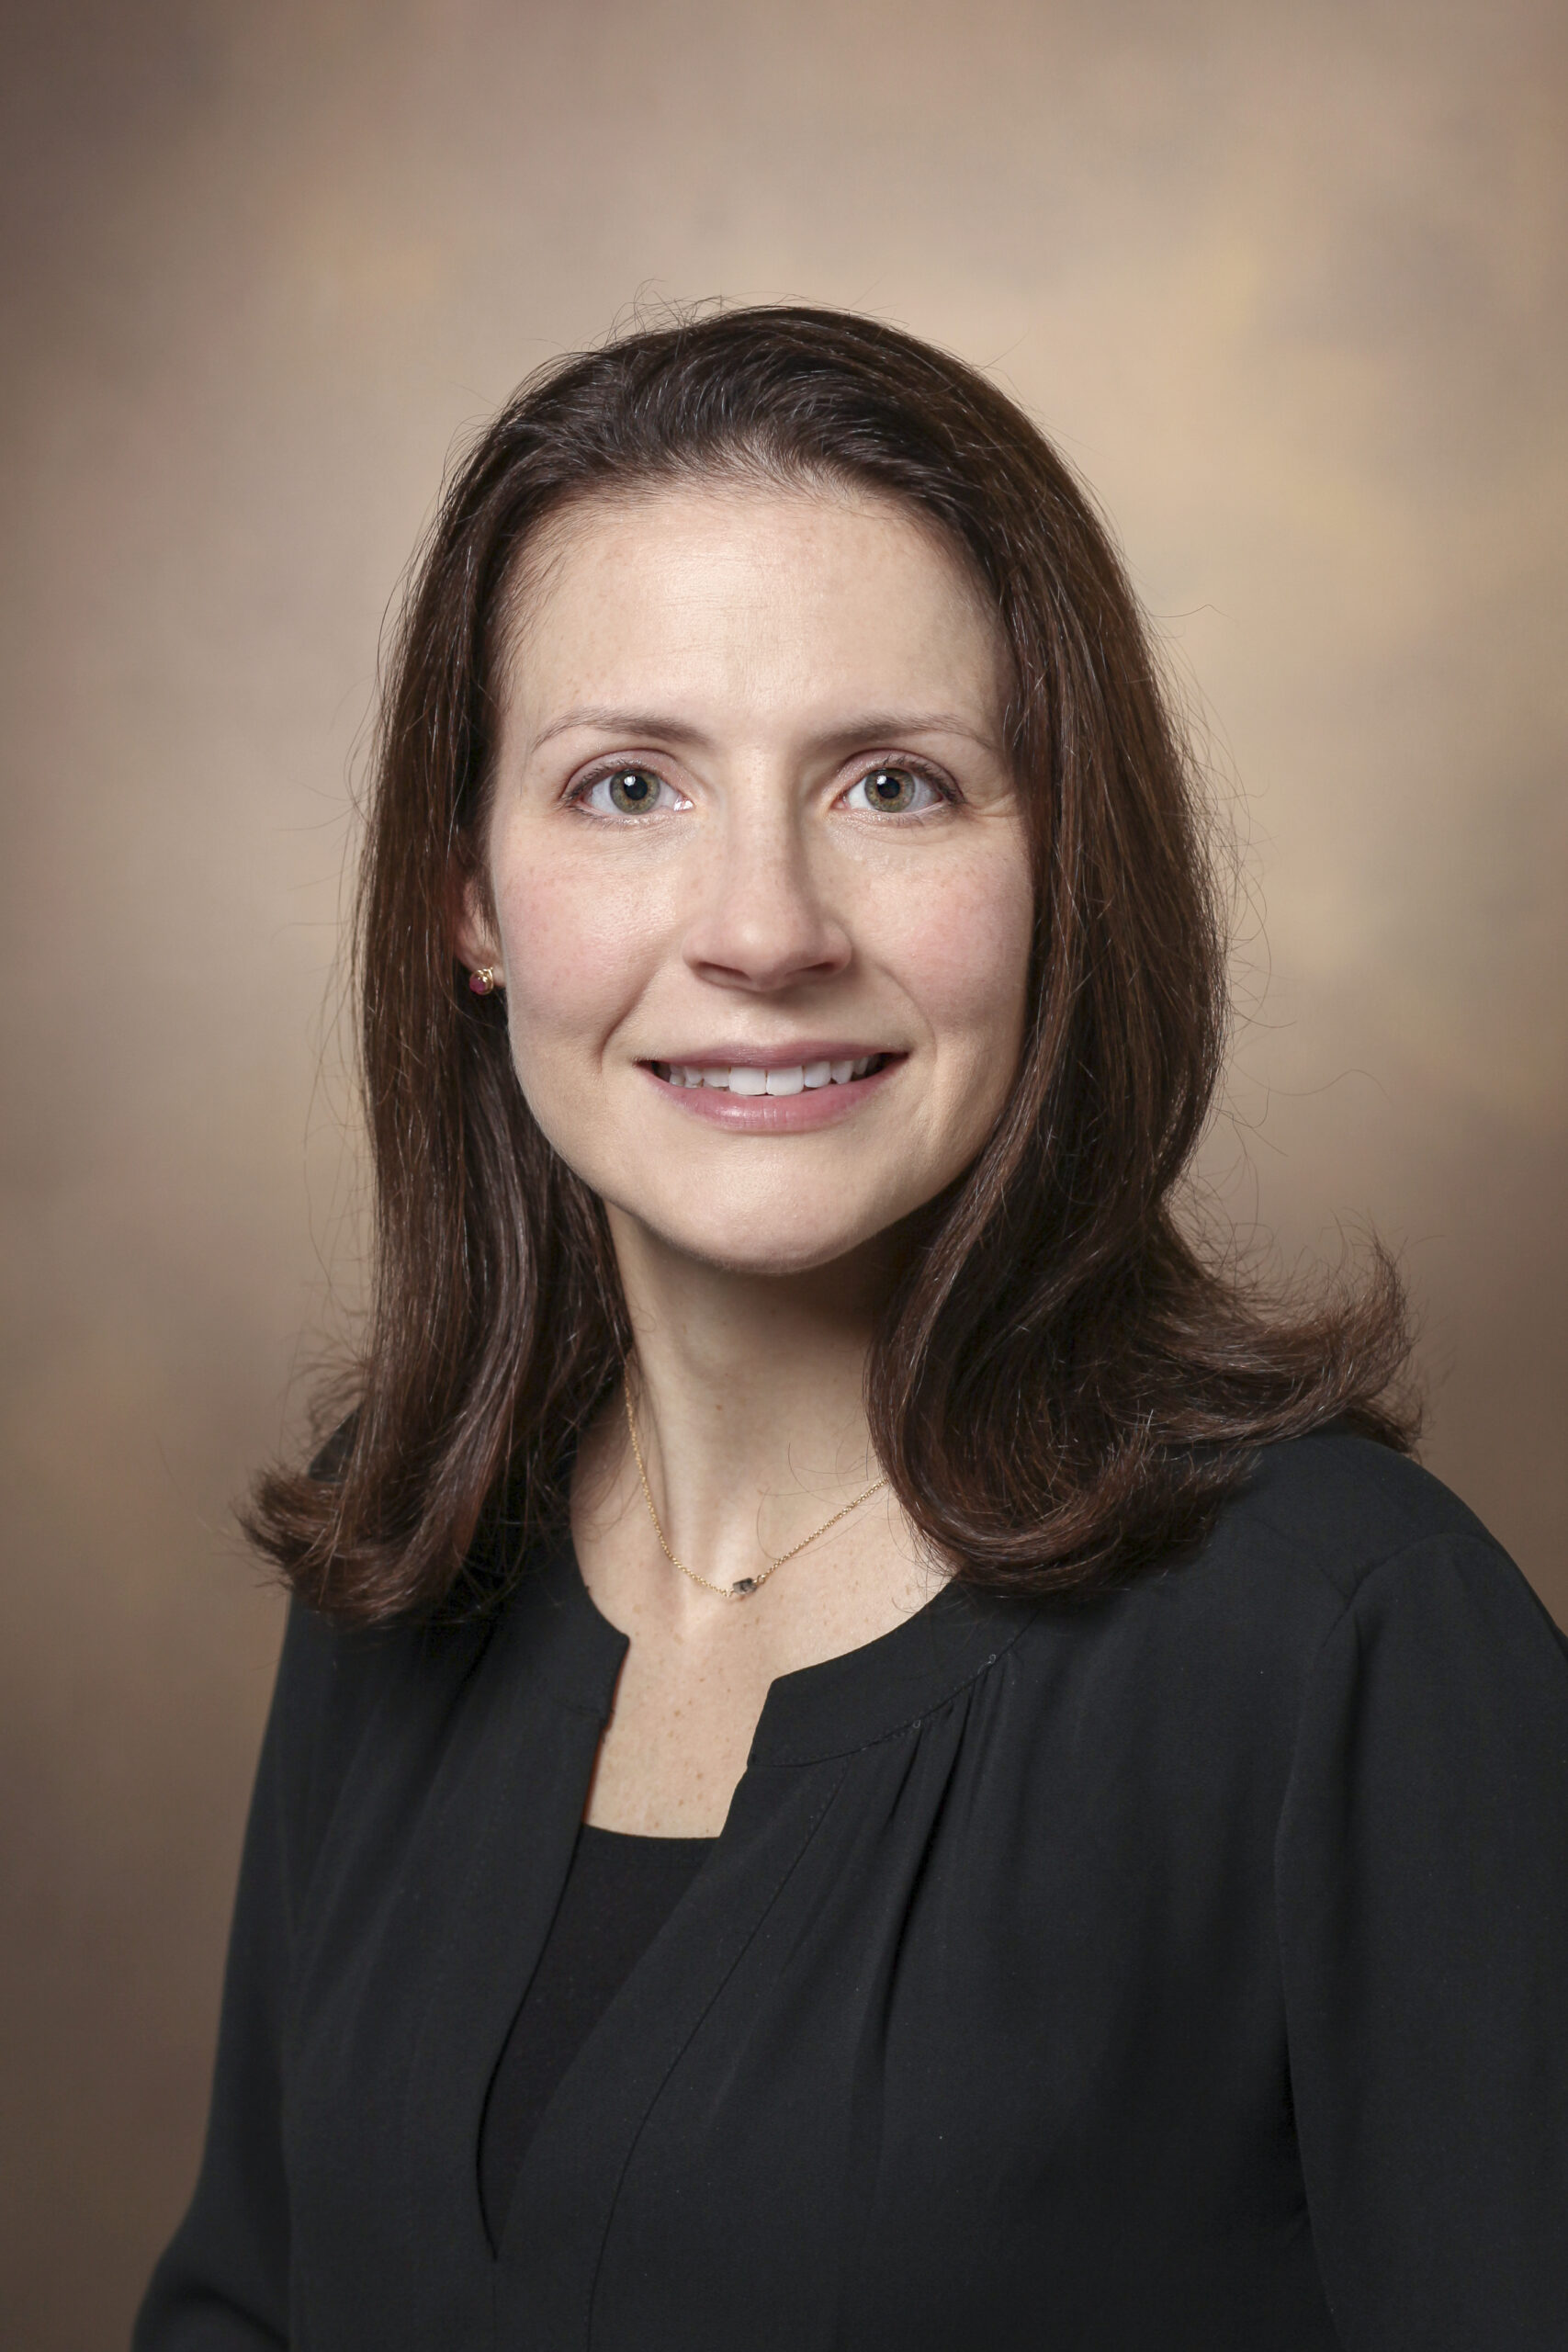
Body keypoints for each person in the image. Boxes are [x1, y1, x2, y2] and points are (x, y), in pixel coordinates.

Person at [134, 308, 1568, 2351]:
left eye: (894, 783)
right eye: (626, 785)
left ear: (1064, 863)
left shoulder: (1352, 1646)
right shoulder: (405, 1569)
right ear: (467, 893)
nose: (763, 925)